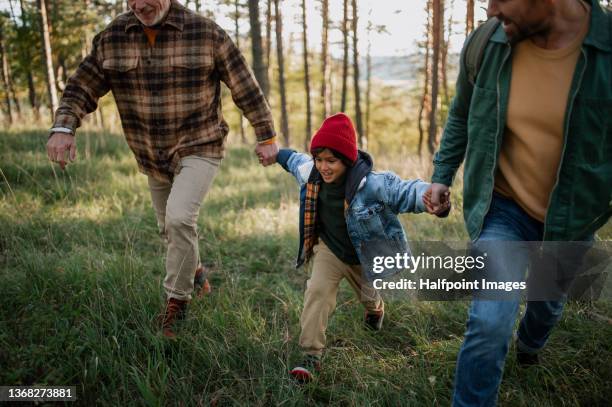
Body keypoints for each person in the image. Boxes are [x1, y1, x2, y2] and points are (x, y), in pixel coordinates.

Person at [45, 0, 278, 338]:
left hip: (200, 144)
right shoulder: (113, 37)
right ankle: (196, 275)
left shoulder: (205, 32)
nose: (140, 5)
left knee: (180, 218)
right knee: (169, 228)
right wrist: (64, 128)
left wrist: (266, 135)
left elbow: (244, 85)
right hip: (151, 154)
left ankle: (176, 304)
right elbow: (81, 86)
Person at [427, 0, 611, 405]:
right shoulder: (488, 42)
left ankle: (530, 345)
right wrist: (442, 175)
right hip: (503, 210)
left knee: (546, 307)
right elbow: (461, 113)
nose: (491, 9)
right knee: (490, 322)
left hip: (572, 221)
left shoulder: (606, 50)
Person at [275, 113, 450, 382]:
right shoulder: (310, 171)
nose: (324, 166)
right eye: (319, 159)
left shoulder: (372, 185)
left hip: (364, 256)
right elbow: (292, 159)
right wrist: (274, 152)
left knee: (368, 296)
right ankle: (311, 356)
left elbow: (404, 191)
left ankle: (375, 309)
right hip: (330, 250)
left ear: (346, 160)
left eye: (331, 161)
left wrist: (430, 197)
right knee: (317, 290)